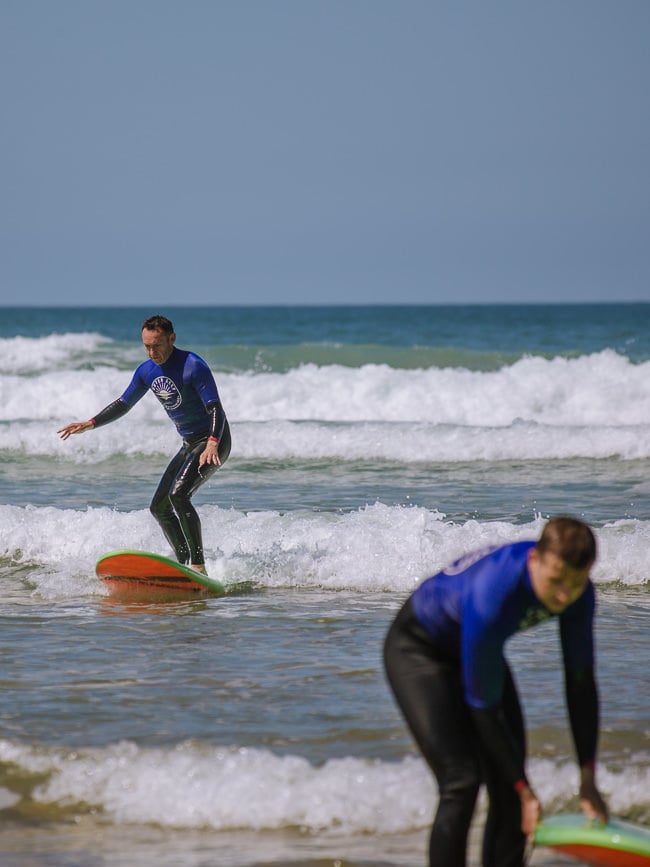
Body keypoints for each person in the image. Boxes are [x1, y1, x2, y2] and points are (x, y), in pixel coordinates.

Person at [383, 516, 608, 867]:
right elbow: (482, 707)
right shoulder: (495, 592)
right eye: (556, 581)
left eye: (577, 582)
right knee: (462, 781)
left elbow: (579, 683)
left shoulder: (580, 597)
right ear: (535, 559)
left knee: (508, 788)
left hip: (475, 649)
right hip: (418, 651)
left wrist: (588, 776)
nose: (564, 595)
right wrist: (526, 792)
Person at [58, 314, 231, 574]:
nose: (152, 352)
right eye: (147, 346)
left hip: (213, 440)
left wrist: (213, 443)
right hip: (189, 443)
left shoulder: (193, 365)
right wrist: (91, 423)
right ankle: (183, 564)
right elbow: (123, 404)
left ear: (171, 339)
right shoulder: (146, 371)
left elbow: (215, 408)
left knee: (179, 495)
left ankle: (199, 566)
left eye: (157, 345)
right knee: (159, 507)